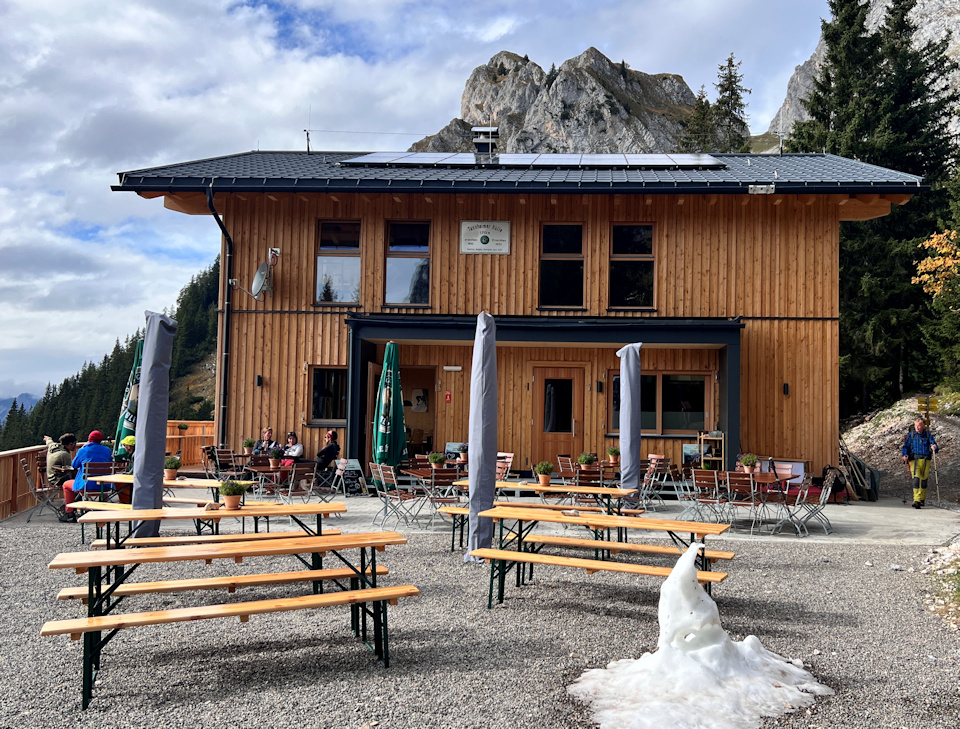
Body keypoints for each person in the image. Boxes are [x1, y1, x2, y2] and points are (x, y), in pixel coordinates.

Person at [63, 430, 113, 519]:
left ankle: (69, 513)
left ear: (89, 440)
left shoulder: (83, 450)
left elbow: (74, 465)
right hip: (105, 486)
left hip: (86, 486)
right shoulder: (107, 450)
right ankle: (103, 508)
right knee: (102, 481)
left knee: (66, 485)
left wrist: (83, 447)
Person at [902, 418, 939, 509]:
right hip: (914, 460)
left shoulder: (927, 435)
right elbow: (905, 447)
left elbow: (935, 446)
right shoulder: (911, 435)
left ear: (923, 426)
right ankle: (917, 500)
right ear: (914, 427)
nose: (918, 428)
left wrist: (934, 447)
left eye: (920, 426)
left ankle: (922, 499)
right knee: (916, 479)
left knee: (924, 479)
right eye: (916, 426)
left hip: (926, 459)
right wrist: (905, 455)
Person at [46, 433, 78, 522]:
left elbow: (49, 442)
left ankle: (68, 508)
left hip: (51, 477)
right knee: (79, 487)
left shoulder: (54, 447)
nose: (74, 446)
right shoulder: (65, 454)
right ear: (67, 445)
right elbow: (71, 469)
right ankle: (69, 511)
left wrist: (48, 438)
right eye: (73, 444)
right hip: (59, 479)